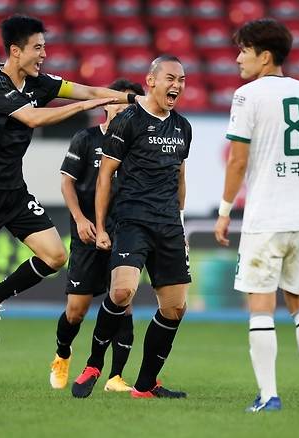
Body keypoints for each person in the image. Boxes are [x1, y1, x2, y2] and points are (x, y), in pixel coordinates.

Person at [0, 15, 139, 387]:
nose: (44, 54)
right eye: (38, 47)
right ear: (15, 51)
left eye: (44, 47)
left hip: (13, 191)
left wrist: (131, 98)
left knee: (54, 255)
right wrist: (86, 107)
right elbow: (32, 118)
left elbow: (83, 89)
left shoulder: (39, 81)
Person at [213, 19, 299, 412]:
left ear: (264, 56)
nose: (237, 58)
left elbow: (237, 161)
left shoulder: (248, 96)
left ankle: (269, 396)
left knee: (261, 306)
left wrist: (225, 210)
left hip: (266, 218)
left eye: (244, 50)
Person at [70, 55, 191, 399]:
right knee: (122, 292)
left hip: (168, 225)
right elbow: (105, 175)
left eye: (181, 79)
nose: (177, 85)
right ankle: (94, 363)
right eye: (170, 78)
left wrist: (180, 226)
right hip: (132, 219)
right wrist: (101, 226)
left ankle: (146, 384)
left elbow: (180, 178)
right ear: (151, 81)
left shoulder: (183, 127)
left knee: (175, 308)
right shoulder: (129, 121)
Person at [50, 78, 145, 392]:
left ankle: (115, 376)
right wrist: (79, 220)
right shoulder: (86, 138)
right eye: (116, 101)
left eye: (128, 104)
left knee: (123, 300)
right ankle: (63, 353)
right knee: (76, 310)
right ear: (105, 104)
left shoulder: (137, 144)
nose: (121, 107)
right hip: (88, 231)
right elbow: (67, 182)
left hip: (124, 231)